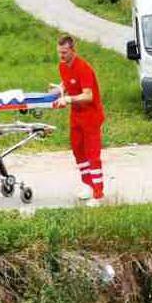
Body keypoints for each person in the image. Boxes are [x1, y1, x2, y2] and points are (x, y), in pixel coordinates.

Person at [54, 34, 106, 206]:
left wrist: (68, 99)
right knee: (78, 150)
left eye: (65, 52)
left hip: (91, 115)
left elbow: (88, 96)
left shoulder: (83, 67)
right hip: (76, 115)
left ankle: (98, 194)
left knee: (92, 153)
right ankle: (88, 185)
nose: (61, 56)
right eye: (59, 52)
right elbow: (67, 83)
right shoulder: (62, 66)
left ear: (73, 50)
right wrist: (59, 89)